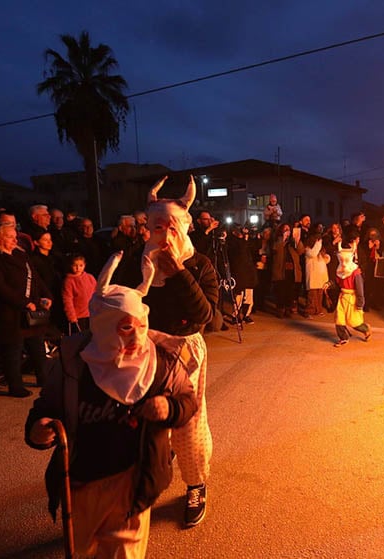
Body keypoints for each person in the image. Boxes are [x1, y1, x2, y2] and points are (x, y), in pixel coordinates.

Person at [25, 253, 198, 557]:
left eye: (141, 326)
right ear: (104, 325)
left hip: (133, 482)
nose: (137, 337)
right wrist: (38, 430)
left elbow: (188, 400)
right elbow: (46, 407)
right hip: (81, 482)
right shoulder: (73, 363)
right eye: (125, 328)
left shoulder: (162, 362)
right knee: (83, 550)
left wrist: (169, 409)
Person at [113, 175, 218, 527]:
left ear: (184, 229)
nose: (164, 234)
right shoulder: (135, 263)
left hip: (185, 350)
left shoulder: (199, 263)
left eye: (171, 226)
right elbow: (121, 304)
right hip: (143, 350)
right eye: (157, 226)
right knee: (145, 421)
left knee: (187, 420)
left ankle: (195, 484)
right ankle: (147, 483)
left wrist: (179, 273)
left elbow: (206, 316)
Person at [0, 222, 53, 396]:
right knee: (13, 349)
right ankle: (15, 385)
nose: (14, 240)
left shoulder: (20, 254)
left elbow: (34, 277)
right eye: (10, 237)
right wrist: (23, 302)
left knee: (37, 346)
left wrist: (46, 295)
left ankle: (43, 377)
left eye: (15, 236)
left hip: (31, 309)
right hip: (9, 312)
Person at [333, 241, 371, 346]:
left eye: (346, 260)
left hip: (352, 299)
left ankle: (365, 329)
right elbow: (337, 282)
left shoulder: (355, 272)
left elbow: (360, 289)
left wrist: (360, 303)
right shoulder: (339, 271)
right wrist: (329, 283)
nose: (344, 263)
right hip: (342, 297)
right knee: (339, 319)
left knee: (354, 322)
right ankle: (343, 338)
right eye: (341, 260)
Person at [226, 224, 258, 324]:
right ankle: (235, 315)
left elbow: (255, 248)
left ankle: (246, 315)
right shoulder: (232, 242)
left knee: (249, 296)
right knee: (238, 296)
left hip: (248, 272)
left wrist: (254, 237)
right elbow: (239, 251)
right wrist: (243, 239)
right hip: (238, 272)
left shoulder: (246, 241)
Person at [62, 254, 97, 333]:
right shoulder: (69, 281)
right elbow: (67, 300)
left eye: (81, 265)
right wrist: (71, 317)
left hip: (92, 313)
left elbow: (97, 293)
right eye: (75, 265)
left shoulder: (90, 277)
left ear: (84, 265)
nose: (78, 268)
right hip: (79, 316)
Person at [303, 233, 330, 317]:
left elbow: (325, 260)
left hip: (320, 276)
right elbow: (313, 253)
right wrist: (318, 244)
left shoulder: (320, 251)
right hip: (313, 276)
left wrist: (327, 257)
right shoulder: (308, 250)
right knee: (312, 295)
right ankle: (309, 311)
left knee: (319, 294)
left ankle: (318, 310)